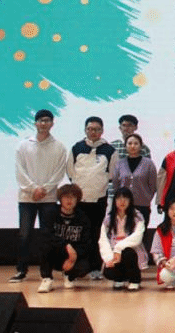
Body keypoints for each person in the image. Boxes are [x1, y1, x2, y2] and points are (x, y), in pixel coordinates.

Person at [11, 109, 68, 283]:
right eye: (40, 120)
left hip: (48, 199)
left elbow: (59, 173)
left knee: (47, 236)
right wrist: (33, 189)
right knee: (24, 235)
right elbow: (20, 171)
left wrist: (44, 190)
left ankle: (46, 272)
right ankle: (21, 270)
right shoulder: (23, 145)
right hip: (26, 198)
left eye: (47, 120)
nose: (43, 123)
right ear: (35, 123)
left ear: (52, 123)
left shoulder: (59, 147)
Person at [68, 116, 117, 280]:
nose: (93, 132)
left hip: (99, 200)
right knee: (79, 235)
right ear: (85, 130)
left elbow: (112, 174)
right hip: (79, 201)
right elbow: (70, 172)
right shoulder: (77, 148)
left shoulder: (109, 150)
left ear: (102, 131)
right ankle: (78, 268)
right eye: (90, 129)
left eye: (96, 129)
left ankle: (95, 268)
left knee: (97, 235)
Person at [37, 184, 91, 293]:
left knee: (86, 265)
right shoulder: (51, 213)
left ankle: (69, 276)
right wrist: (66, 245)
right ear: (60, 199)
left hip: (73, 255)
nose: (69, 200)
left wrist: (73, 257)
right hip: (56, 253)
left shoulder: (83, 217)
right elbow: (47, 235)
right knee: (44, 246)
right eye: (66, 197)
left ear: (77, 199)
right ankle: (47, 278)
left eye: (73, 197)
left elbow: (86, 242)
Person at [98, 188, 147, 290]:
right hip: (114, 252)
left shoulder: (137, 216)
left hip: (131, 250)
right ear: (115, 201)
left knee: (128, 253)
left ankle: (134, 280)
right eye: (119, 198)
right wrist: (109, 258)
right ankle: (119, 279)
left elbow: (137, 238)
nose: (122, 201)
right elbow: (103, 239)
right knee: (108, 271)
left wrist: (118, 248)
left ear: (130, 200)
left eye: (125, 198)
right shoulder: (109, 218)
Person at [111, 133, 158, 226]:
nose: (132, 146)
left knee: (141, 232)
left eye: (136, 143)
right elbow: (116, 184)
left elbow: (153, 185)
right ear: (125, 146)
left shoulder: (149, 164)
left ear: (141, 146)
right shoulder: (120, 164)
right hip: (123, 206)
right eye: (129, 143)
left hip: (142, 206)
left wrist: (147, 198)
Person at [106, 114, 151, 204]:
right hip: (114, 193)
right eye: (124, 125)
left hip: (136, 194)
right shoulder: (112, 146)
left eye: (130, 125)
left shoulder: (143, 149)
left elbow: (147, 172)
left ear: (135, 127)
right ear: (120, 128)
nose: (126, 128)